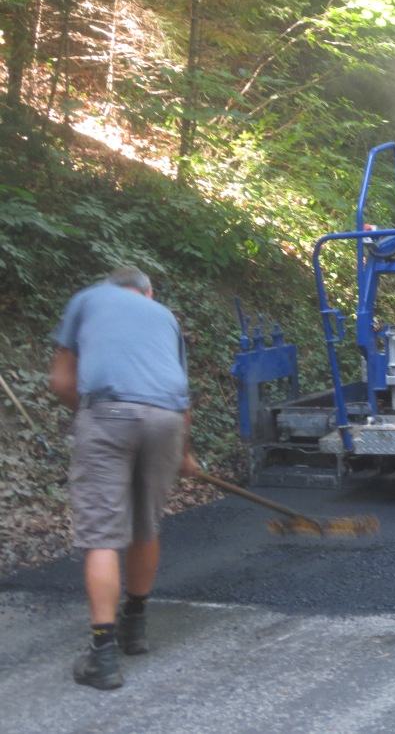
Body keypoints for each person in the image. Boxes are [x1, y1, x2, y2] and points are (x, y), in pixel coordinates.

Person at [49, 266, 197, 690]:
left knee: (102, 535)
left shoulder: (88, 298)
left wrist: (92, 417)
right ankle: (135, 626)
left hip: (109, 411)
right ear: (148, 292)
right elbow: (181, 396)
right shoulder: (164, 316)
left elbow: (61, 381)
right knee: (145, 525)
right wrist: (185, 452)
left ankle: (102, 656)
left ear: (111, 287)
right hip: (167, 420)